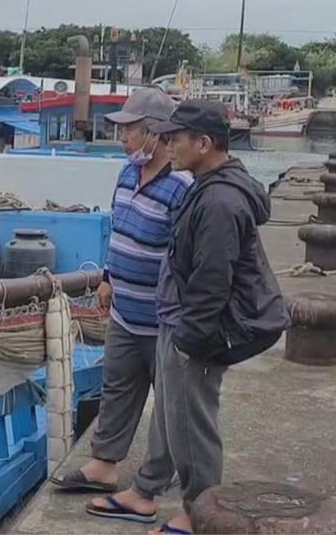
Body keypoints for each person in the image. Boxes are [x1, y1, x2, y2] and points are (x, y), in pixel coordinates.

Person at [86, 100, 288, 534]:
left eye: (175, 138)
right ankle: (145, 492)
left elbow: (213, 280)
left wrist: (190, 340)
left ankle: (200, 511)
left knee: (192, 425)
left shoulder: (218, 200)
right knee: (170, 416)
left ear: (204, 143)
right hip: (178, 321)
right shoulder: (205, 183)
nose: (167, 144)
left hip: (196, 331)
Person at [50, 87, 191, 493]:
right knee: (117, 385)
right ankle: (103, 465)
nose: (122, 138)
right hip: (125, 312)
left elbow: (183, 253)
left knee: (170, 403)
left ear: (155, 134)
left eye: (129, 130)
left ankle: (165, 474)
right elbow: (120, 233)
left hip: (163, 320)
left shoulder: (181, 187)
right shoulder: (128, 172)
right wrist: (109, 277)